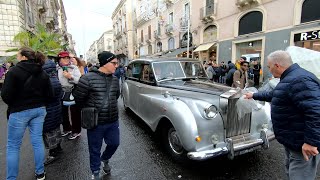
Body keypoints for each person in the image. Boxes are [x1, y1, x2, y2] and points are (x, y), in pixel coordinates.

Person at [244, 50, 320, 180]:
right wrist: (254, 95)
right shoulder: (290, 78)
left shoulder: (299, 80)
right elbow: (277, 95)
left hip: (302, 144)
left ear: (277, 65)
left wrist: (311, 142)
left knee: (300, 176)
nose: (269, 70)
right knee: (291, 171)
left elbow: (316, 111)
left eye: (269, 66)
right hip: (292, 140)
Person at [1, 47, 53, 180]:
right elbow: (50, 94)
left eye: (18, 54)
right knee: (37, 141)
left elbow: (6, 95)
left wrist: (16, 103)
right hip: (39, 110)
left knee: (13, 146)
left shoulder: (13, 72)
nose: (17, 57)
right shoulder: (41, 72)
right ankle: (40, 173)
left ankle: (11, 178)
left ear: (23, 56)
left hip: (19, 111)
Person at [73, 51, 120, 179]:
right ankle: (95, 172)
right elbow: (78, 99)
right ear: (105, 63)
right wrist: (90, 110)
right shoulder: (87, 79)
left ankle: (105, 158)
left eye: (117, 63)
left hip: (112, 121)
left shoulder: (115, 80)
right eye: (114, 63)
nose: (117, 66)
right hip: (95, 122)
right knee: (94, 149)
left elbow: (116, 96)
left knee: (114, 143)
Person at [42, 59, 63, 165]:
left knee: (49, 131)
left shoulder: (46, 80)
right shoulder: (54, 78)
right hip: (56, 107)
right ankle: (58, 147)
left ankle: (53, 152)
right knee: (55, 128)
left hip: (48, 109)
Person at [57, 51, 82, 140]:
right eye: (64, 58)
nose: (66, 59)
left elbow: (79, 80)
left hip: (73, 92)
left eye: (67, 58)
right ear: (59, 59)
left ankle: (76, 131)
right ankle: (67, 129)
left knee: (74, 112)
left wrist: (70, 77)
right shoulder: (57, 69)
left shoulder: (74, 68)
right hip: (62, 93)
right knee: (63, 112)